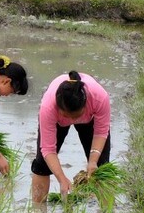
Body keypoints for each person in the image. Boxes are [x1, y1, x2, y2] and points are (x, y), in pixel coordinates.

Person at [31, 70, 112, 202]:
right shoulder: (48, 107)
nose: (72, 120)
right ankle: (38, 212)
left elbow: (101, 132)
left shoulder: (99, 97)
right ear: (58, 108)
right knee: (42, 164)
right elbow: (48, 149)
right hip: (57, 122)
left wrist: (93, 161)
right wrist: (61, 178)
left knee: (101, 166)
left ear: (85, 105)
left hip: (89, 120)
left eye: (76, 116)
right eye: (67, 116)